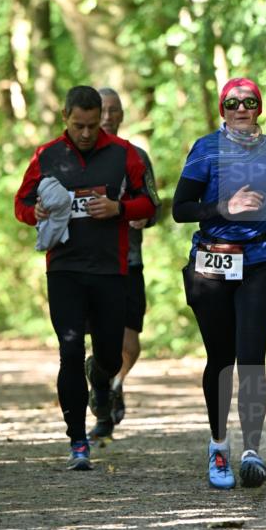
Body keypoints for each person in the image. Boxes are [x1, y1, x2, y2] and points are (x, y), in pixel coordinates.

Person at [15, 85, 158, 470]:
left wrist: (118, 207)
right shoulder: (46, 156)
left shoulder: (123, 153)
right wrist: (37, 214)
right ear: (66, 117)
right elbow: (21, 204)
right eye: (78, 125)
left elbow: (149, 203)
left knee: (110, 354)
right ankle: (77, 440)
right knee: (70, 351)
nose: (85, 133)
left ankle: (102, 377)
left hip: (112, 269)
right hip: (65, 269)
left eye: (92, 126)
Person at [172, 77, 266, 489]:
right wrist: (222, 206)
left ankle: (252, 453)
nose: (241, 108)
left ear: (259, 108)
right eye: (232, 102)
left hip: (261, 261)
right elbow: (180, 209)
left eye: (249, 102)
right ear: (223, 109)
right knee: (221, 360)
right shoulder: (206, 148)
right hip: (213, 260)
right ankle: (219, 445)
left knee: (251, 357)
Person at [98, 87, 160, 427]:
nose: (108, 116)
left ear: (123, 115)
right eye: (102, 109)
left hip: (129, 260)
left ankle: (116, 385)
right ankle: (99, 395)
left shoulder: (136, 155)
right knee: (97, 343)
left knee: (130, 344)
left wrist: (145, 216)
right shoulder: (78, 158)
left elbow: (154, 203)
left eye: (114, 110)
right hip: (91, 263)